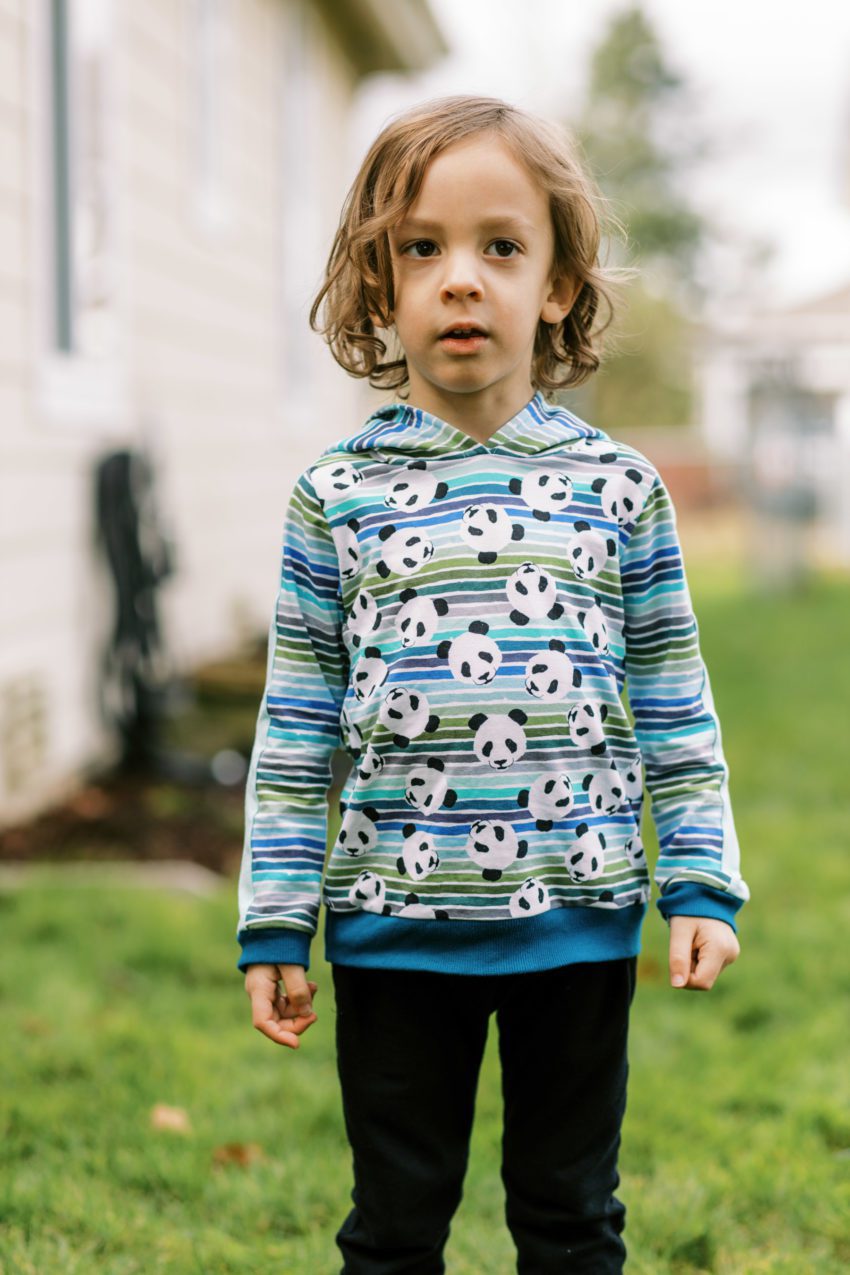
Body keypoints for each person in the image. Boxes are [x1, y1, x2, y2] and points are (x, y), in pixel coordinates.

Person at [236, 94, 749, 1274]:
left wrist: (700, 881)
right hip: (390, 934)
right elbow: (298, 725)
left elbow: (674, 701)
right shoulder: (337, 495)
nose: (460, 280)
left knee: (571, 1223)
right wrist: (275, 916)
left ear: (556, 284)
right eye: (423, 248)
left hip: (577, 923)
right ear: (381, 286)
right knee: (394, 1229)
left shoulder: (618, 490)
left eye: (499, 247)